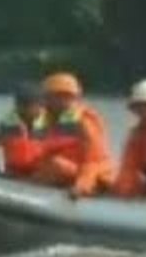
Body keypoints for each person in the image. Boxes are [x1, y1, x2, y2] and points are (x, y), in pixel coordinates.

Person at [29, 71, 114, 199]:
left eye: (48, 97)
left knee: (56, 165)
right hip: (65, 173)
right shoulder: (48, 119)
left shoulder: (84, 121)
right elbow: (39, 151)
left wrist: (82, 187)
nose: (45, 102)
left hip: (93, 175)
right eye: (47, 97)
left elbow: (93, 161)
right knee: (52, 165)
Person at [0, 82, 49, 178]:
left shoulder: (51, 122)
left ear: (40, 105)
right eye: (20, 104)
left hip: (41, 173)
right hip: (13, 173)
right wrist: (0, 171)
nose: (23, 109)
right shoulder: (5, 124)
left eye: (29, 105)